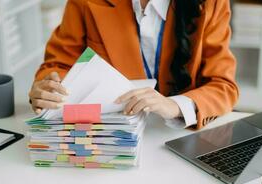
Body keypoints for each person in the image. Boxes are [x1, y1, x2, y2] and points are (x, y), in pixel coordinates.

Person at [29, 0, 239, 130]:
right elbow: (58, 64)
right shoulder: (84, 2)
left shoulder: (212, 2)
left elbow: (223, 86)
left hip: (177, 134)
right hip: (110, 133)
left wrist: (175, 105)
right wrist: (47, 88)